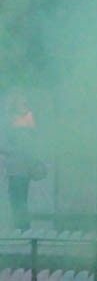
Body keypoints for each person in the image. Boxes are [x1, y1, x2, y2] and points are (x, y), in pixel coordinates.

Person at [1, 93, 41, 231]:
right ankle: (22, 227)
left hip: (18, 168)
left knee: (17, 200)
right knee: (20, 199)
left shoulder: (22, 120)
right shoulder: (26, 120)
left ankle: (22, 228)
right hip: (20, 168)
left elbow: (17, 146)